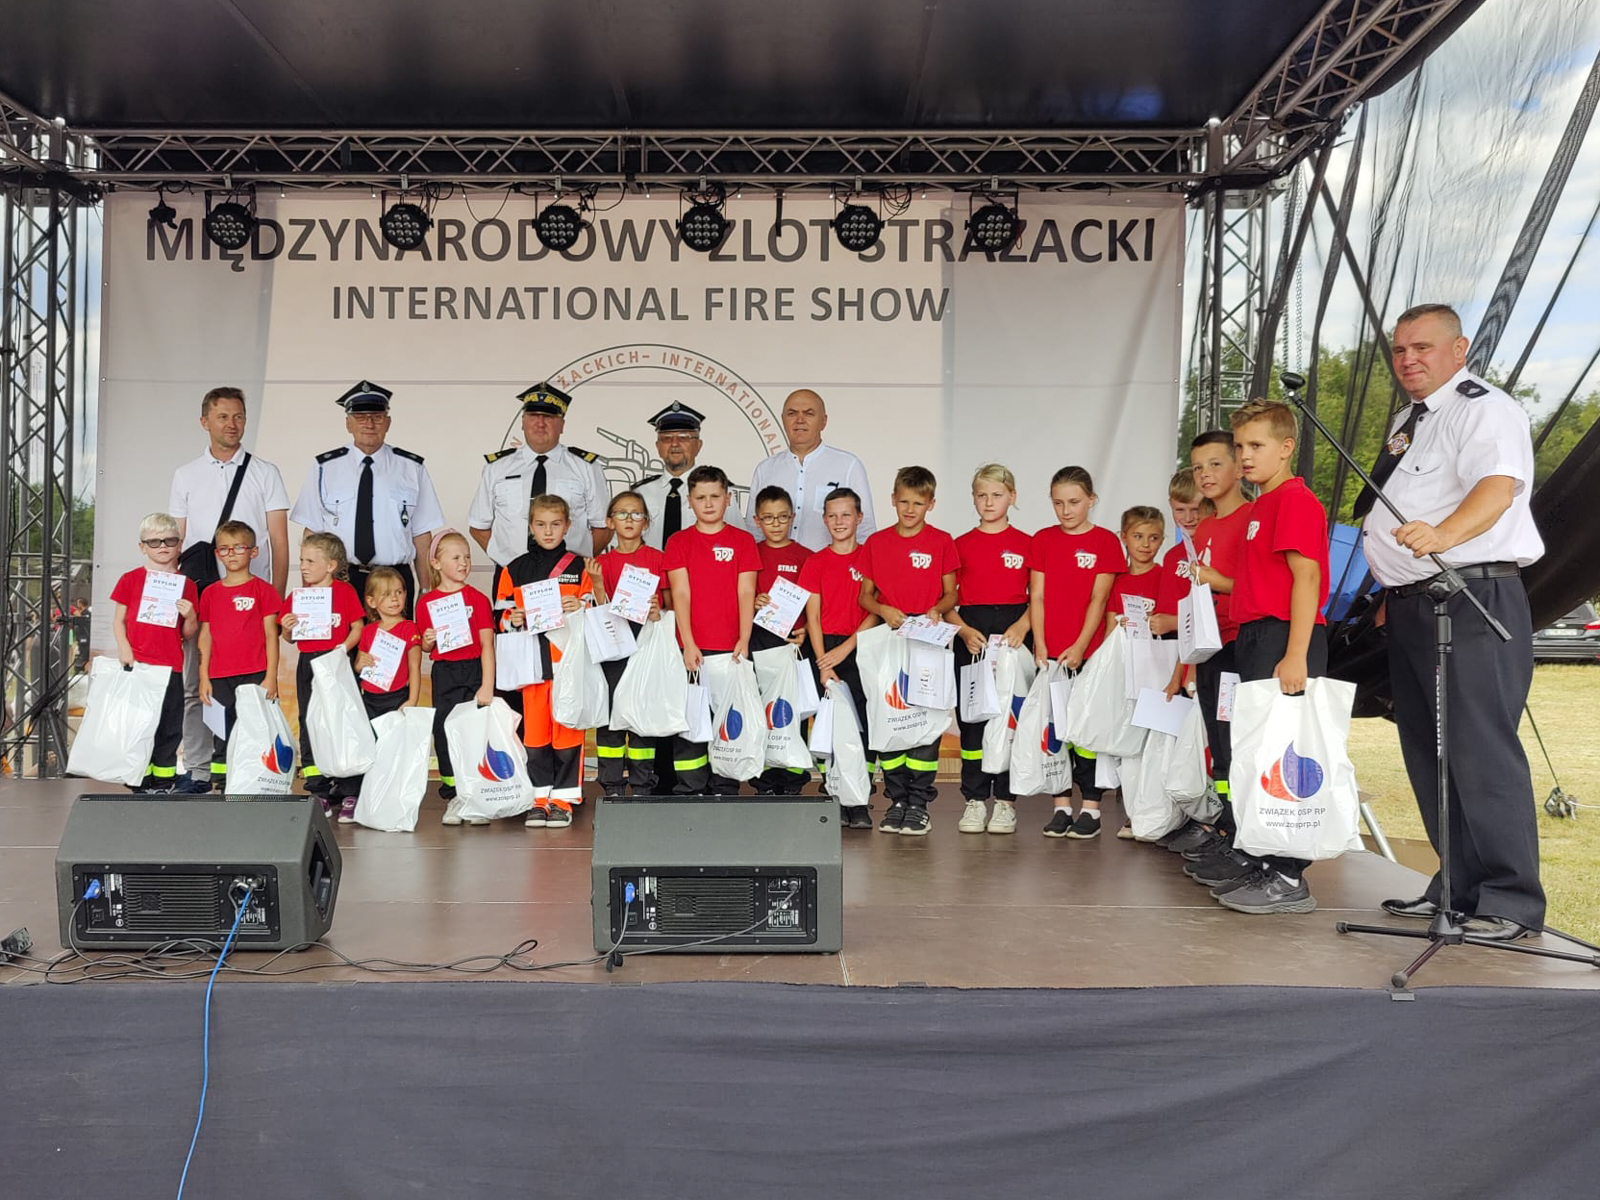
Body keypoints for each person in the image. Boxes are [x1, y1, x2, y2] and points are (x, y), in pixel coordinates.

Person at [1362, 303, 1546, 941]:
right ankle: (1456, 889)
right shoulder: (1411, 419)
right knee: (1427, 748)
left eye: (1423, 347)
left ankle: (1511, 901)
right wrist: (1393, 586)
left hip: (1470, 596)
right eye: (1399, 350)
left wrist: (1442, 535)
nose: (1408, 359)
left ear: (1460, 349)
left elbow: (1497, 488)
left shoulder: (1483, 408)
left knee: (1479, 748)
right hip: (1415, 602)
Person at [1216, 399, 1330, 915]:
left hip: (1285, 636)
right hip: (1256, 635)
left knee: (1287, 753)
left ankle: (1289, 874)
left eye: (1256, 445)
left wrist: (1296, 654)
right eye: (1240, 446)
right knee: (1259, 754)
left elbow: (1307, 577)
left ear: (1286, 448)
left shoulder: (1294, 500)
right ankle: (1265, 860)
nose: (1245, 455)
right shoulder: (1261, 505)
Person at [169, 386, 290, 790]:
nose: (232, 424)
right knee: (197, 685)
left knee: (252, 686)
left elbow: (279, 541)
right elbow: (177, 542)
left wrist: (276, 599)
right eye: (222, 416)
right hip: (204, 596)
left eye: (238, 416)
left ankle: (251, 769)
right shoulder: (185, 475)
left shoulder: (265, 472)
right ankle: (199, 770)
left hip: (254, 598)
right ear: (205, 421)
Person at [1170, 431, 1257, 881]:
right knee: (1218, 747)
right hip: (1208, 647)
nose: (1205, 475)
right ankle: (1225, 828)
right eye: (1198, 467)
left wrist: (1213, 578)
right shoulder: (1204, 527)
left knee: (1237, 744)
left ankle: (1245, 838)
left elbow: (1259, 587)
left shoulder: (1251, 518)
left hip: (1239, 645)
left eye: (1215, 464)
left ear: (1239, 466)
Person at [858, 466, 960, 836]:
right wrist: (883, 609)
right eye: (904, 502)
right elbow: (864, 596)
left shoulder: (942, 541)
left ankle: (918, 804)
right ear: (893, 500)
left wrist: (936, 608)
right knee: (891, 716)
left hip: (928, 638)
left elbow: (952, 593)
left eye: (918, 503)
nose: (910, 510)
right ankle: (897, 799)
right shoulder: (877, 543)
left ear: (930, 504)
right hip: (889, 637)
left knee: (925, 720)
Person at [290, 381, 446, 616]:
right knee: (341, 640)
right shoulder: (325, 467)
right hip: (341, 579)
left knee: (396, 640)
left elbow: (422, 535)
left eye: (377, 417)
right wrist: (309, 591)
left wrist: (426, 590)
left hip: (394, 581)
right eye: (361, 417)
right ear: (348, 423)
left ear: (388, 422)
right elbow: (312, 534)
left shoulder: (411, 468)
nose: (369, 424)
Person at [498, 494, 596, 826]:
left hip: (568, 664)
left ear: (567, 526)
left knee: (568, 732)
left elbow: (597, 611)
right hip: (532, 667)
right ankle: (539, 798)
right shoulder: (515, 569)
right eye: (541, 524)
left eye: (555, 524)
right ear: (530, 526)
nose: (549, 531)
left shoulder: (580, 567)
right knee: (535, 736)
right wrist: (513, 617)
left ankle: (564, 800)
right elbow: (500, 616)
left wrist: (581, 607)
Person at [664, 465, 761, 796]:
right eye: (701, 497)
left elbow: (746, 592)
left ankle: (724, 788)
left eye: (715, 496)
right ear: (689, 500)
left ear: (728, 498)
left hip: (731, 649)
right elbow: (680, 594)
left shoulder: (743, 541)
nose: (708, 503)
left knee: (728, 720)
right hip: (692, 649)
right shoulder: (679, 542)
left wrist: (744, 638)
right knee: (691, 723)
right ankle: (690, 791)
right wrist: (688, 644)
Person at [951, 465, 1033, 836]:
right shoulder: (960, 545)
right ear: (973, 498)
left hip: (1013, 634)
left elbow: (1040, 597)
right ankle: (974, 799)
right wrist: (963, 630)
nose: (989, 502)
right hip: (973, 635)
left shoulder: (1028, 543)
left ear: (1012, 497)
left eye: (997, 495)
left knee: (1010, 719)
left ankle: (1006, 802)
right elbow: (946, 600)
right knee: (973, 721)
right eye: (981, 495)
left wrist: (1023, 626)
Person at [469, 382, 611, 573]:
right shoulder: (497, 467)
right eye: (533, 415)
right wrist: (508, 565)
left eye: (549, 416)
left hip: (568, 577)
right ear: (522, 422)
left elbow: (603, 527)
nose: (540, 423)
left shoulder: (587, 467)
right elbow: (478, 526)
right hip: (511, 576)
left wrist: (573, 566)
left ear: (562, 425)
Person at [108, 513, 199, 792]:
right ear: (142, 547)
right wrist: (124, 649)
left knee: (169, 726)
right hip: (138, 665)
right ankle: (139, 777)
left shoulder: (187, 585)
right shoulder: (130, 579)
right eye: (154, 541)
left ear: (179, 544)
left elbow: (187, 634)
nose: (162, 546)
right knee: (139, 725)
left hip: (170, 666)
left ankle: (163, 779)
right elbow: (118, 620)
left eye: (169, 541)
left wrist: (191, 615)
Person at [587, 492, 669, 798]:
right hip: (612, 649)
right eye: (621, 514)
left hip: (646, 644)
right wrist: (597, 584)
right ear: (610, 522)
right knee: (610, 718)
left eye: (636, 514)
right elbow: (597, 615)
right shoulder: (601, 563)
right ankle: (612, 786)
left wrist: (659, 610)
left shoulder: (659, 559)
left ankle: (643, 785)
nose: (629, 519)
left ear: (646, 522)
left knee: (640, 715)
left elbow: (670, 604)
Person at [802, 487, 875, 828]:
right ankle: (834, 794)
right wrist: (823, 662)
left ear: (859, 517)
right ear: (824, 520)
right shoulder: (815, 563)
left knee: (862, 725)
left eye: (846, 514)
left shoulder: (870, 558)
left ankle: (858, 800)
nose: (839, 521)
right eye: (832, 515)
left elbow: (875, 610)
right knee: (830, 727)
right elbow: (813, 616)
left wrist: (846, 649)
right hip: (824, 650)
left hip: (860, 647)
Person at [277, 532, 365, 810]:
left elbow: (357, 627)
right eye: (302, 560)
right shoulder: (298, 596)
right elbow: (289, 638)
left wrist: (343, 649)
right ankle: (318, 787)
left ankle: (349, 787)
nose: (303, 566)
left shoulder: (345, 592)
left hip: (337, 661)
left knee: (342, 720)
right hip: (309, 663)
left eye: (310, 561)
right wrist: (288, 628)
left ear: (331, 565)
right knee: (310, 720)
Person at [417, 529, 498, 826]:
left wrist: (487, 684)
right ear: (436, 563)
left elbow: (487, 644)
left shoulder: (478, 599)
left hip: (474, 669)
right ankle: (455, 795)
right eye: (456, 557)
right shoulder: (426, 602)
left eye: (467, 557)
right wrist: (427, 640)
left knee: (475, 733)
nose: (463, 563)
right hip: (445, 672)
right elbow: (426, 647)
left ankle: (477, 795)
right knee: (445, 731)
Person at [196, 520, 282, 793]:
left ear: (253, 552)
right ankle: (222, 783)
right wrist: (203, 677)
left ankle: (255, 781)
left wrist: (271, 676)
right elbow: (205, 636)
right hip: (219, 676)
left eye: (238, 547)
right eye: (224, 549)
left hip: (255, 673)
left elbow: (271, 635)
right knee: (222, 732)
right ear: (217, 554)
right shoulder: (210, 593)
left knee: (256, 729)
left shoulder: (264, 590)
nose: (231, 554)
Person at [746, 389, 876, 551]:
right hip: (774, 565)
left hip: (829, 565)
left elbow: (865, 530)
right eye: (792, 413)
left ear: (823, 421)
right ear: (783, 419)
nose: (800, 420)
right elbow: (753, 531)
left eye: (809, 413)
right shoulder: (765, 469)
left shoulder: (848, 465)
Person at [342, 568, 423, 823]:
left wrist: (412, 700)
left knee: (392, 751)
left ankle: (389, 798)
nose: (394, 599)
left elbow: (415, 667)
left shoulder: (409, 628)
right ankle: (357, 797)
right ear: (371, 601)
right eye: (386, 594)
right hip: (370, 698)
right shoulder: (368, 631)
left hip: (397, 698)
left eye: (399, 592)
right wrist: (360, 663)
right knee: (367, 747)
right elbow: (359, 666)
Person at [748, 486, 813, 795]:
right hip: (759, 641)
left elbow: (816, 605)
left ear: (793, 518)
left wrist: (807, 630)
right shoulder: (751, 553)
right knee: (761, 710)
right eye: (768, 518)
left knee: (791, 713)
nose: (776, 524)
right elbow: (736, 597)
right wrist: (753, 602)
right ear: (757, 520)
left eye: (782, 517)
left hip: (793, 644)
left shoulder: (806, 557)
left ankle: (792, 781)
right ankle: (763, 781)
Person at [635, 402, 744, 551]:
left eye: (683, 437)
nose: (674, 444)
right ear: (657, 446)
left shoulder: (720, 491)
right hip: (651, 566)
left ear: (698, 445)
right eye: (666, 438)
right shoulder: (640, 493)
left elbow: (737, 544)